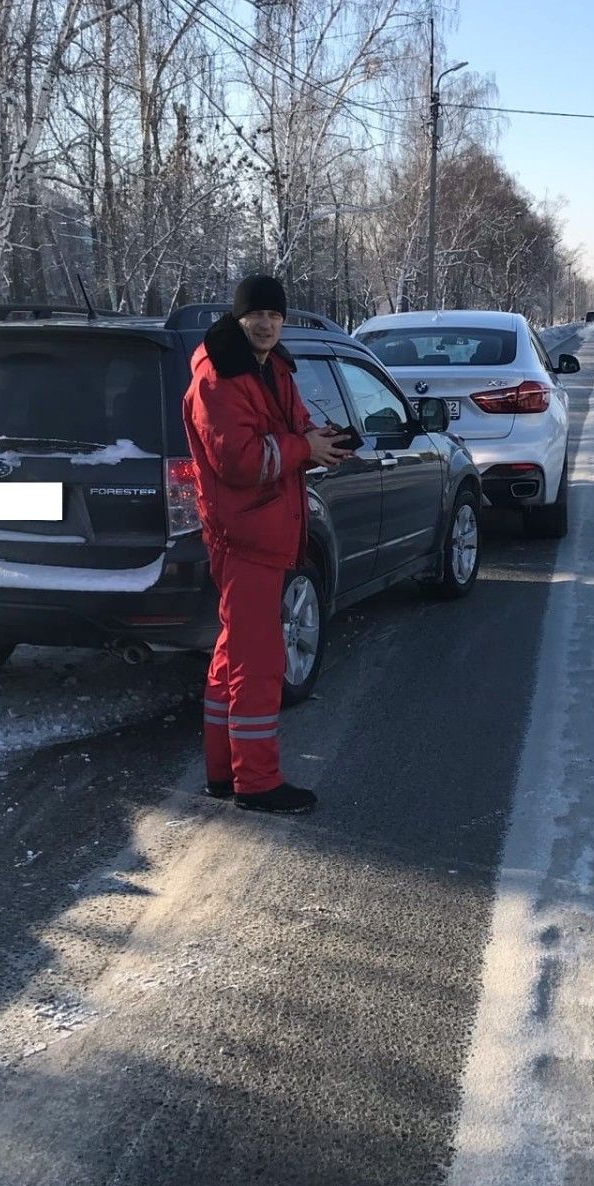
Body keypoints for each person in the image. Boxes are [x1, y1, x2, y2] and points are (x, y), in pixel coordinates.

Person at [183, 275, 351, 814]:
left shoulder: (273, 366)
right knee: (258, 664)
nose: (266, 324)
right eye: (256, 315)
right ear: (239, 317)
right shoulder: (217, 377)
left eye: (275, 316)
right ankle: (256, 784)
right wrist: (304, 447)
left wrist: (322, 442)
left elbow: (294, 426)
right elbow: (241, 460)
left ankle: (222, 773)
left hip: (268, 533)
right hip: (244, 536)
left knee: (234, 656)